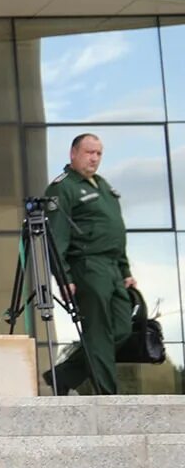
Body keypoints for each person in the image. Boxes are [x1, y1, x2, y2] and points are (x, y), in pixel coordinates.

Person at [43, 133, 136, 396]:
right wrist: (64, 277)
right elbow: (56, 238)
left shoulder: (102, 186)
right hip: (87, 267)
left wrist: (126, 271)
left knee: (121, 328)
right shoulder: (62, 187)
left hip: (113, 269)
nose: (94, 158)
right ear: (73, 154)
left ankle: (63, 375)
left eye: (99, 153)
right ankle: (108, 395)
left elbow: (116, 232)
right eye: (89, 152)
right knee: (97, 332)